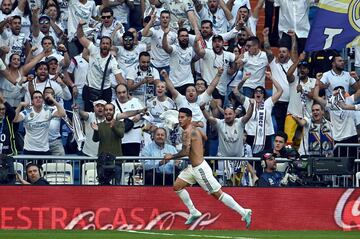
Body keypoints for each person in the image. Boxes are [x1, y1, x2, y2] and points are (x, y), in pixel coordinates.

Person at [163, 108, 252, 228]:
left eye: (182, 117)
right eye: (179, 117)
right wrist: (198, 149)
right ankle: (194, 211)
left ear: (189, 118)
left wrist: (171, 156)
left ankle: (244, 211)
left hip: (200, 169)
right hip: (193, 167)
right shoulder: (194, 129)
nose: (180, 119)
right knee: (177, 186)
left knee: (218, 194)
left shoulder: (187, 132)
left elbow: (185, 151)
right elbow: (204, 137)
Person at [77, 19, 126, 112]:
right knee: (89, 116)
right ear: (100, 44)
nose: (105, 45)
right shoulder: (93, 50)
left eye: (107, 44)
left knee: (104, 116)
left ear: (110, 46)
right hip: (89, 89)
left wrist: (127, 91)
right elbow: (80, 37)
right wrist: (80, 26)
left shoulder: (112, 61)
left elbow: (119, 79)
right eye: (103, 43)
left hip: (104, 91)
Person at [14, 91, 66, 155]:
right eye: (35, 97)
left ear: (43, 100)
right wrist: (20, 105)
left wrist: (53, 100)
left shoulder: (48, 110)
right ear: (32, 101)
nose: (38, 99)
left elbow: (62, 114)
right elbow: (15, 119)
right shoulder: (27, 111)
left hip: (44, 149)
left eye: (40, 97)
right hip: (29, 149)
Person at [92, 103, 125, 185]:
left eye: (110, 110)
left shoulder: (120, 123)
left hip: (116, 161)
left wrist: (113, 127)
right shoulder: (100, 125)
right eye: (106, 110)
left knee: (117, 187)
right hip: (102, 161)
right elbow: (95, 139)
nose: (108, 112)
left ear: (114, 111)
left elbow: (121, 134)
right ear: (103, 112)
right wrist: (96, 131)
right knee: (102, 186)